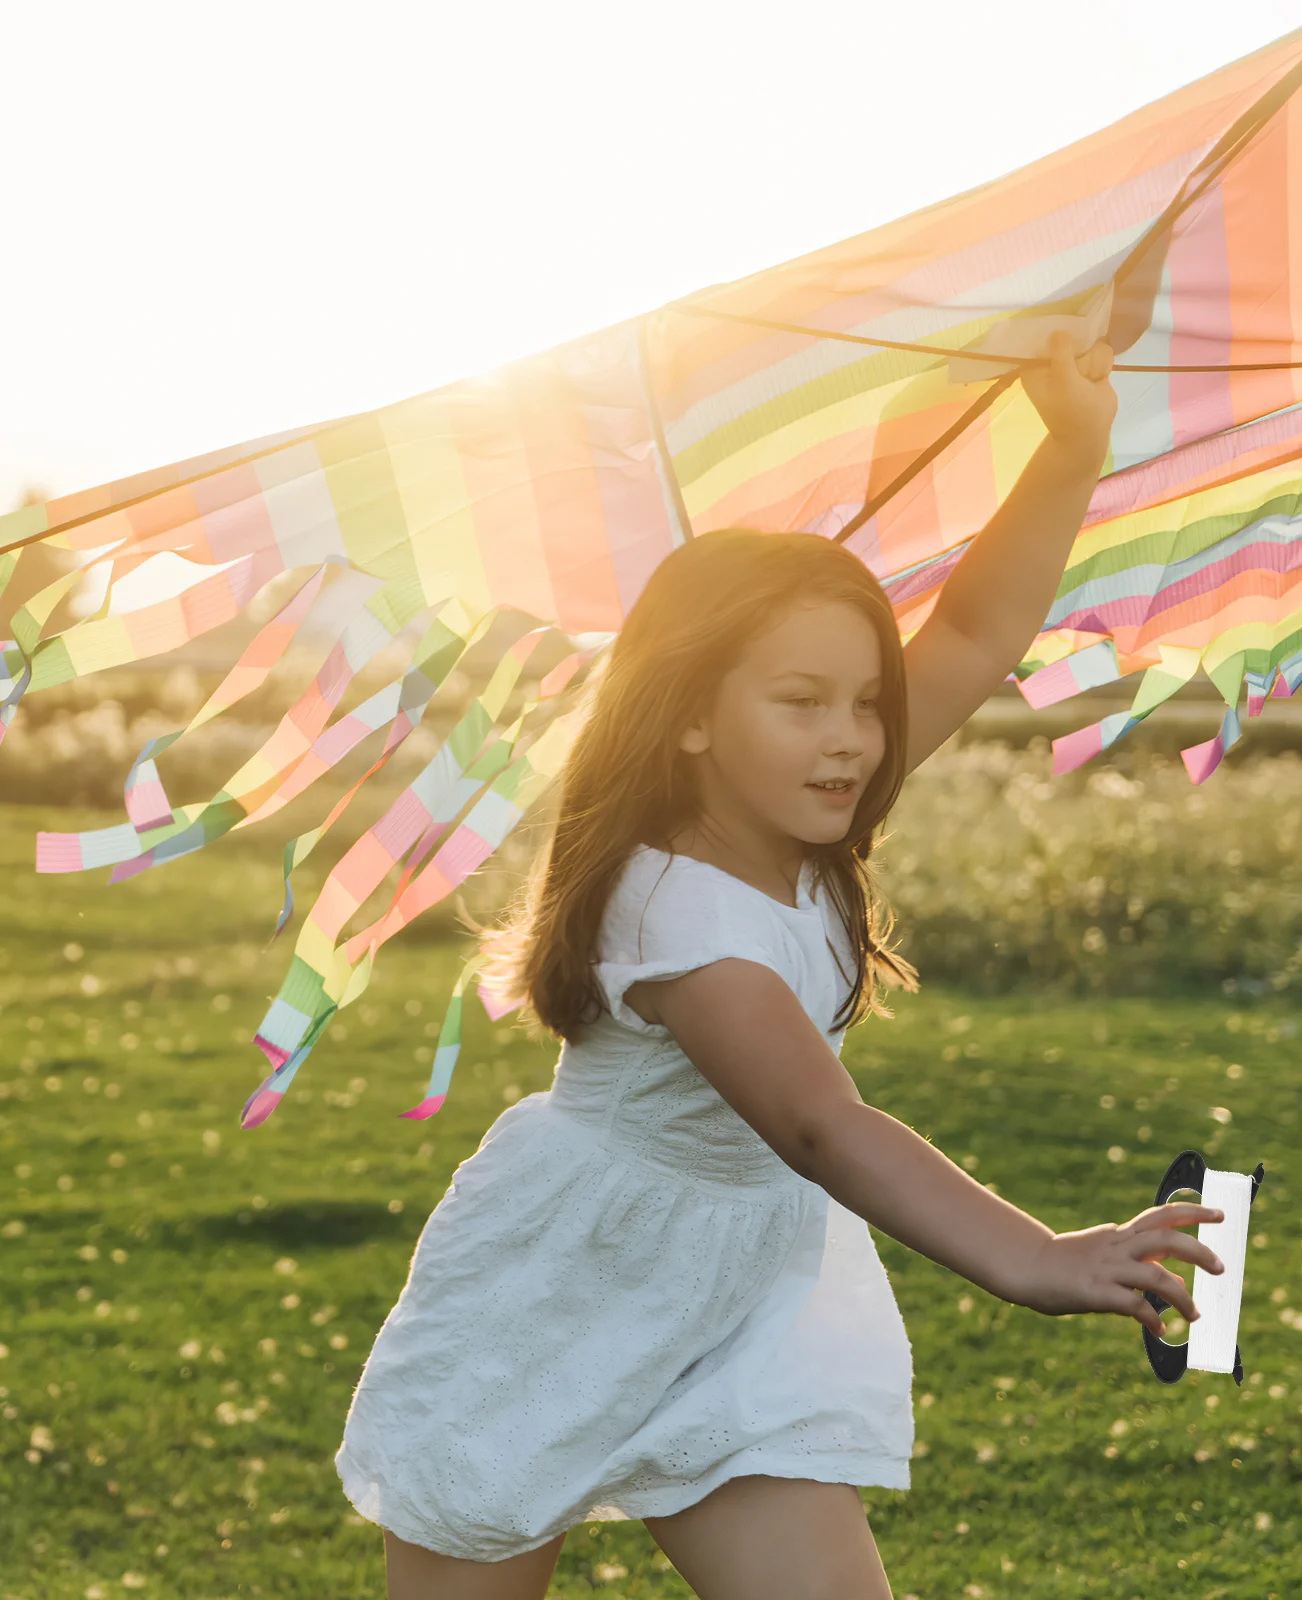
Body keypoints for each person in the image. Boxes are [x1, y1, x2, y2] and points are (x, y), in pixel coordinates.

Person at [334, 333, 1226, 1600]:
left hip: (742, 1297)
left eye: (864, 701)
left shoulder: (801, 832)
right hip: (568, 1282)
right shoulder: (674, 913)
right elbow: (819, 1125)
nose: (853, 738)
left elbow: (973, 627)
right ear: (688, 712)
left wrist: (1071, 445)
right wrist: (1036, 1256)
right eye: (801, 700)